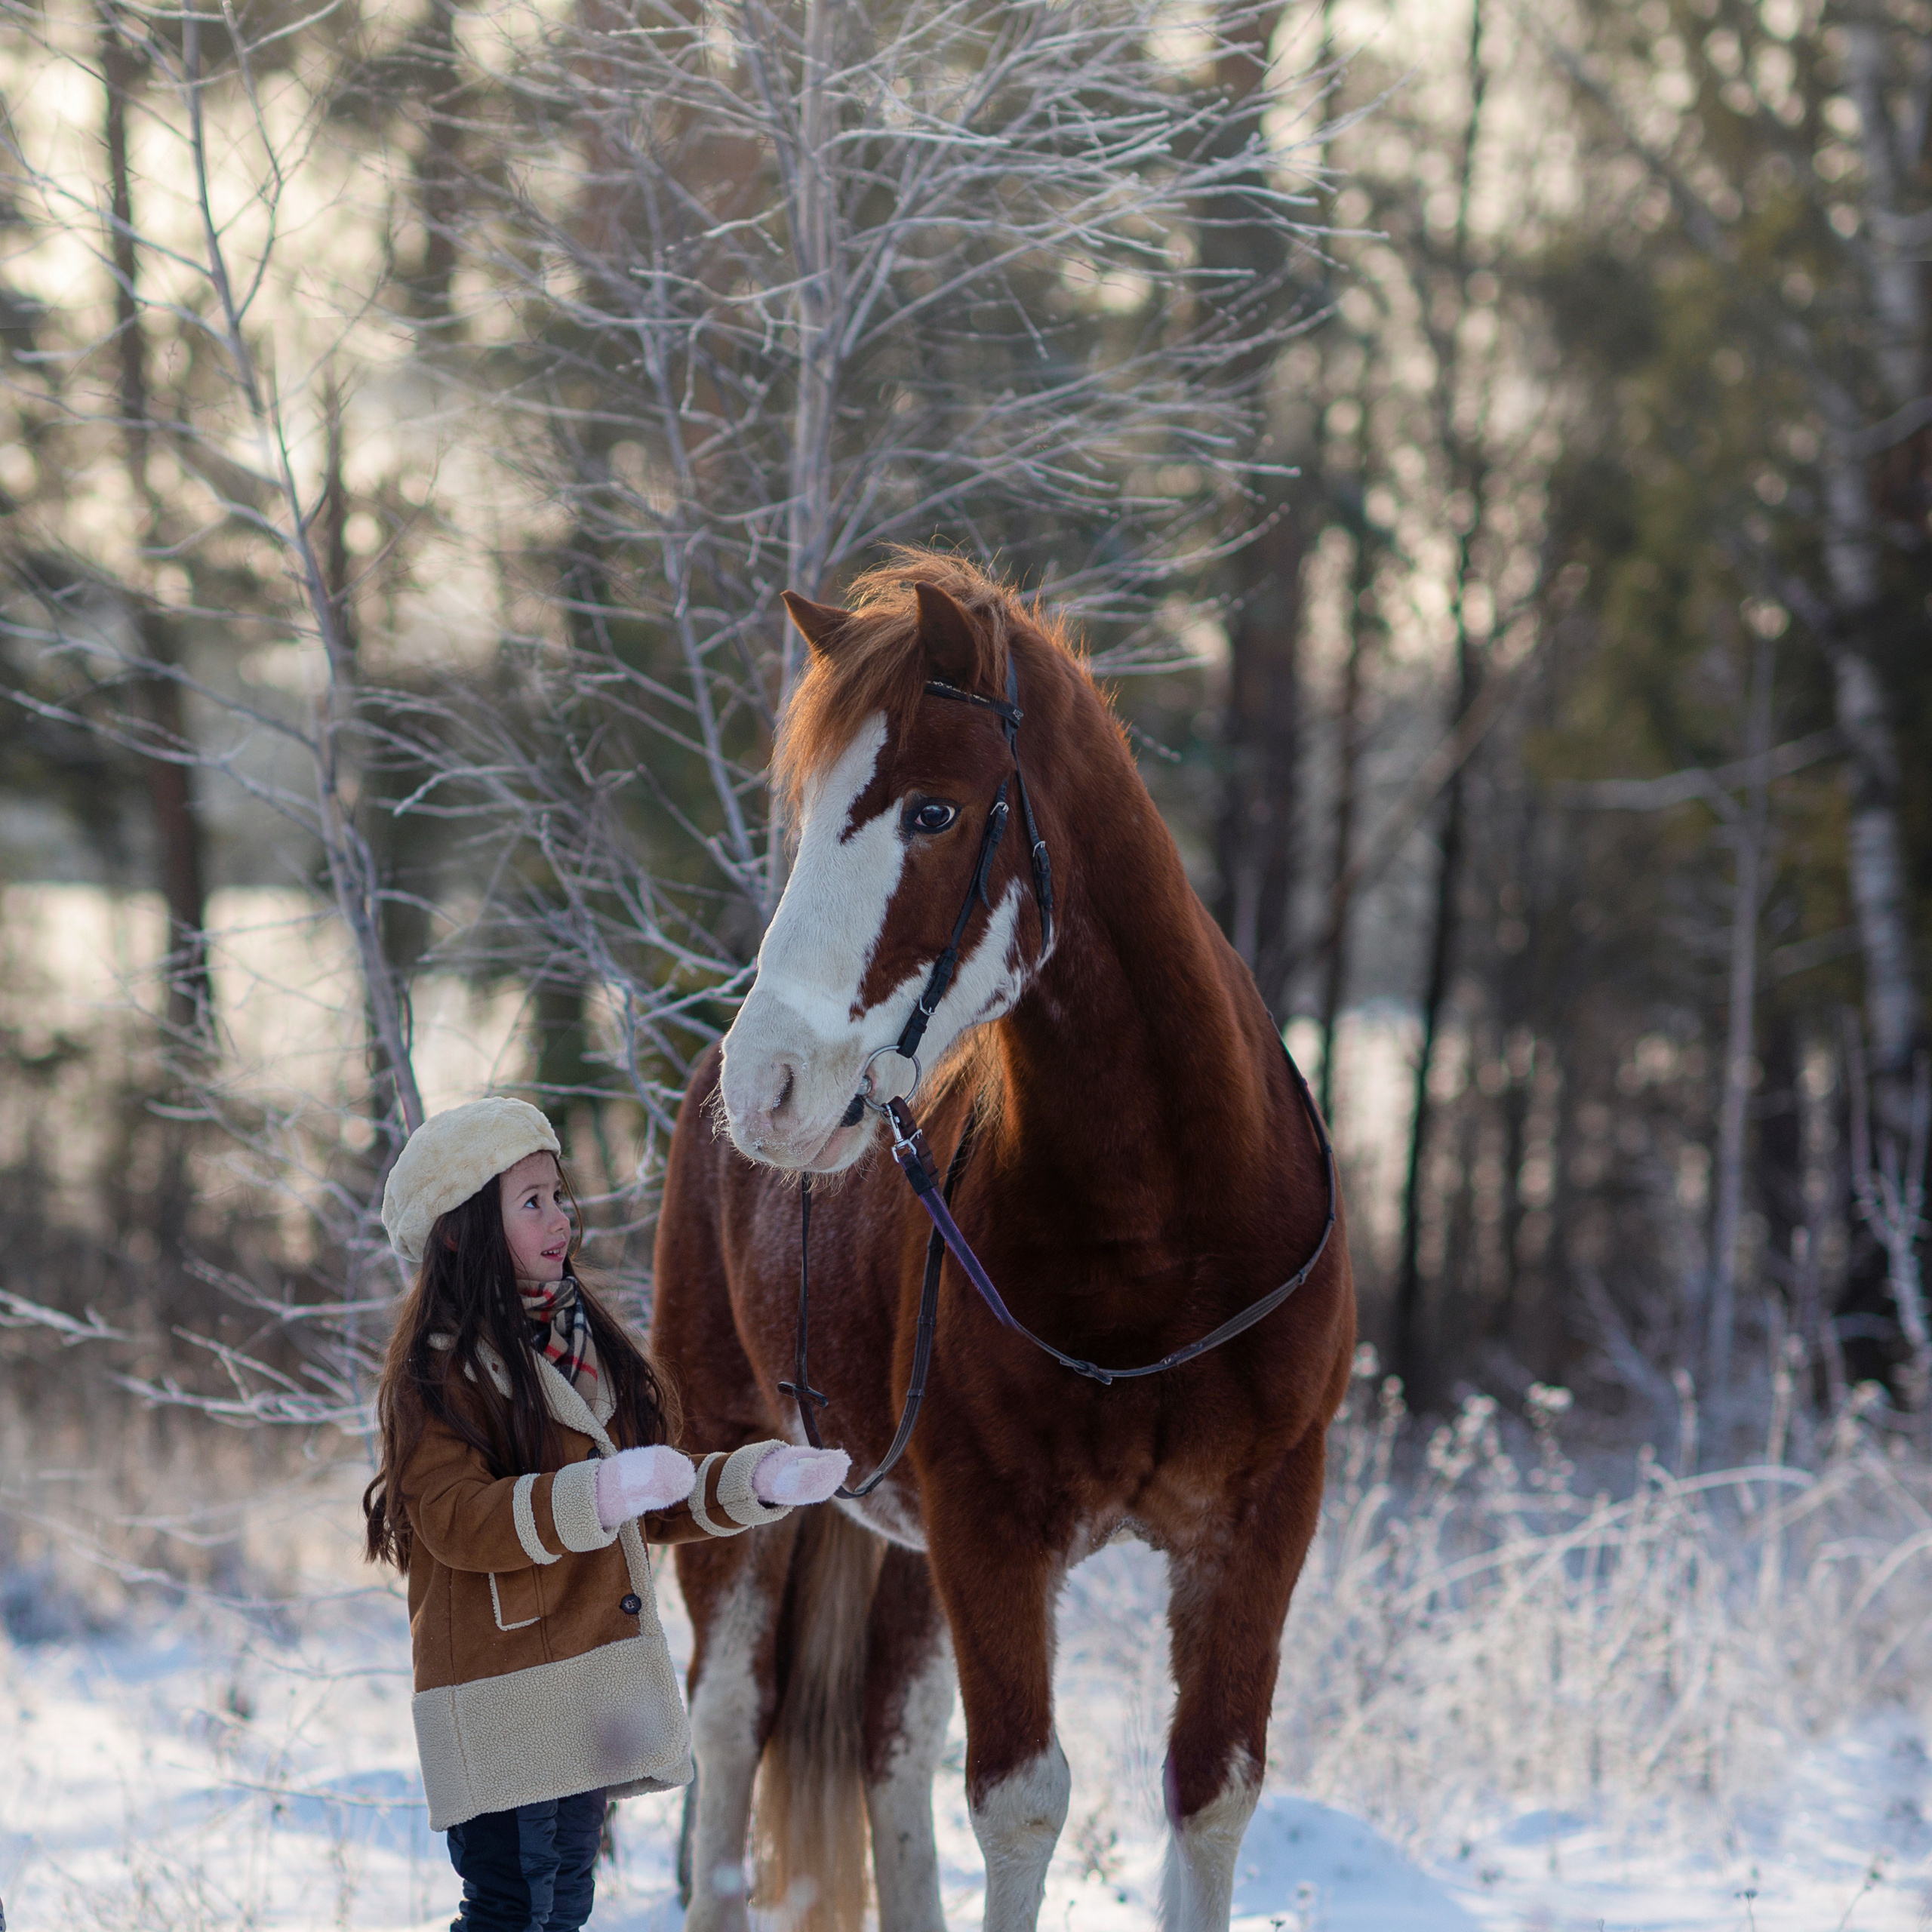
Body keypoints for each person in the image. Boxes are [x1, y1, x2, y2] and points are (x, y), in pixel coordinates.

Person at [363, 1097, 848, 1932]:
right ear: (460, 1231)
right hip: (502, 1693)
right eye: (530, 1202)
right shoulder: (436, 1374)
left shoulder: (581, 1348)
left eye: (558, 1195)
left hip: (586, 1691)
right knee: (512, 1909)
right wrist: (598, 1494)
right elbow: (455, 1518)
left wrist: (761, 1478)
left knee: (566, 1907)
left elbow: (650, 1496)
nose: (559, 1219)